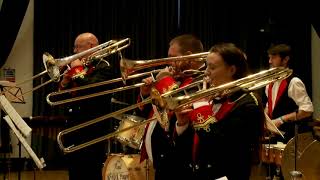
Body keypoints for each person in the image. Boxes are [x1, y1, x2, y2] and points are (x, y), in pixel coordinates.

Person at [173, 43, 265, 179]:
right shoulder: (209, 99)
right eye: (206, 66)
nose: (206, 72)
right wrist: (182, 124)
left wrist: (201, 107)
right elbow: (193, 149)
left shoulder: (248, 104)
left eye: (212, 67)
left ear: (232, 70)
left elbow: (218, 148)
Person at [136, 34, 205, 180]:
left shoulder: (202, 79)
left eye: (172, 57)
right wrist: (146, 94)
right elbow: (156, 114)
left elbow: (177, 106)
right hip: (164, 161)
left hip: (181, 162)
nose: (168, 63)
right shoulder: (179, 77)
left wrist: (164, 80)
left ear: (188, 56)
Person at [59, 32, 113, 180]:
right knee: (74, 173)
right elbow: (60, 99)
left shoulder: (104, 66)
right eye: (74, 47)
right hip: (73, 129)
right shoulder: (81, 66)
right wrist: (64, 82)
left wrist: (76, 72)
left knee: (90, 173)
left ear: (91, 46)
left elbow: (92, 89)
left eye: (78, 47)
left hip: (92, 132)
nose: (75, 52)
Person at [265, 44, 313, 143]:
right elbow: (270, 106)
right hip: (277, 137)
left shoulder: (294, 81)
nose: (270, 61)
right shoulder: (269, 84)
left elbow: (307, 110)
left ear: (285, 59)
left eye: (273, 58)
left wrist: (281, 120)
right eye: (269, 58)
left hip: (294, 139)